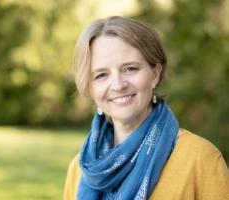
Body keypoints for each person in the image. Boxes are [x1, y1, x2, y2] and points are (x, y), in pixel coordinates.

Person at [63, 16, 229, 200]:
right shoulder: (80, 169)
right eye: (101, 75)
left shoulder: (200, 159)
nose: (118, 85)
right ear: (89, 86)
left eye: (130, 69)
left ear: (155, 74)